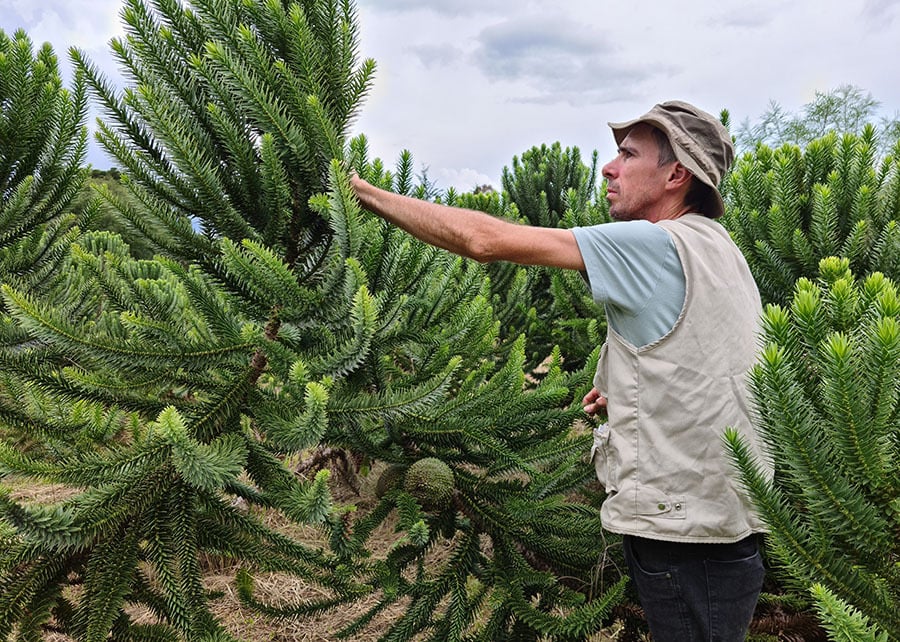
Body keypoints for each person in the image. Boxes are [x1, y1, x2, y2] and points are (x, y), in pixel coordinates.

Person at [350, 100, 772, 642]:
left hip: (685, 537)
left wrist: (366, 194)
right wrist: (625, 389)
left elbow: (483, 241)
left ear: (676, 174)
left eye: (628, 154)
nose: (608, 167)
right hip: (722, 523)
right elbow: (704, 356)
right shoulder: (718, 248)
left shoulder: (653, 244)